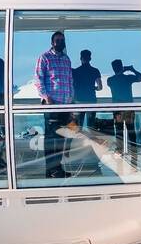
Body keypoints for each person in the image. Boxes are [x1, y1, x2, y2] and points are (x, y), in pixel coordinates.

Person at [35, 31, 75, 178]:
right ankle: (51, 169)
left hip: (65, 105)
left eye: (62, 40)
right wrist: (47, 98)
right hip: (52, 105)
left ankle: (57, 168)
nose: (60, 42)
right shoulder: (45, 57)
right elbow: (38, 80)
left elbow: (70, 80)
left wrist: (71, 102)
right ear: (52, 42)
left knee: (61, 138)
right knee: (52, 139)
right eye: (57, 40)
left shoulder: (66, 59)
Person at [107, 59, 141, 159]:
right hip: (128, 108)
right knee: (131, 130)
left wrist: (121, 71)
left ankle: (119, 151)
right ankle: (134, 152)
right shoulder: (128, 78)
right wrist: (132, 69)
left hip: (117, 109)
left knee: (119, 131)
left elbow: (117, 76)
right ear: (122, 67)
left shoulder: (110, 80)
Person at [72, 50, 103, 130]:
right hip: (91, 101)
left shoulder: (75, 71)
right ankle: (90, 142)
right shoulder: (95, 71)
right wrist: (93, 88)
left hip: (78, 101)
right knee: (91, 127)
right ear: (90, 58)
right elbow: (100, 87)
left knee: (78, 127)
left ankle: (78, 142)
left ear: (81, 58)